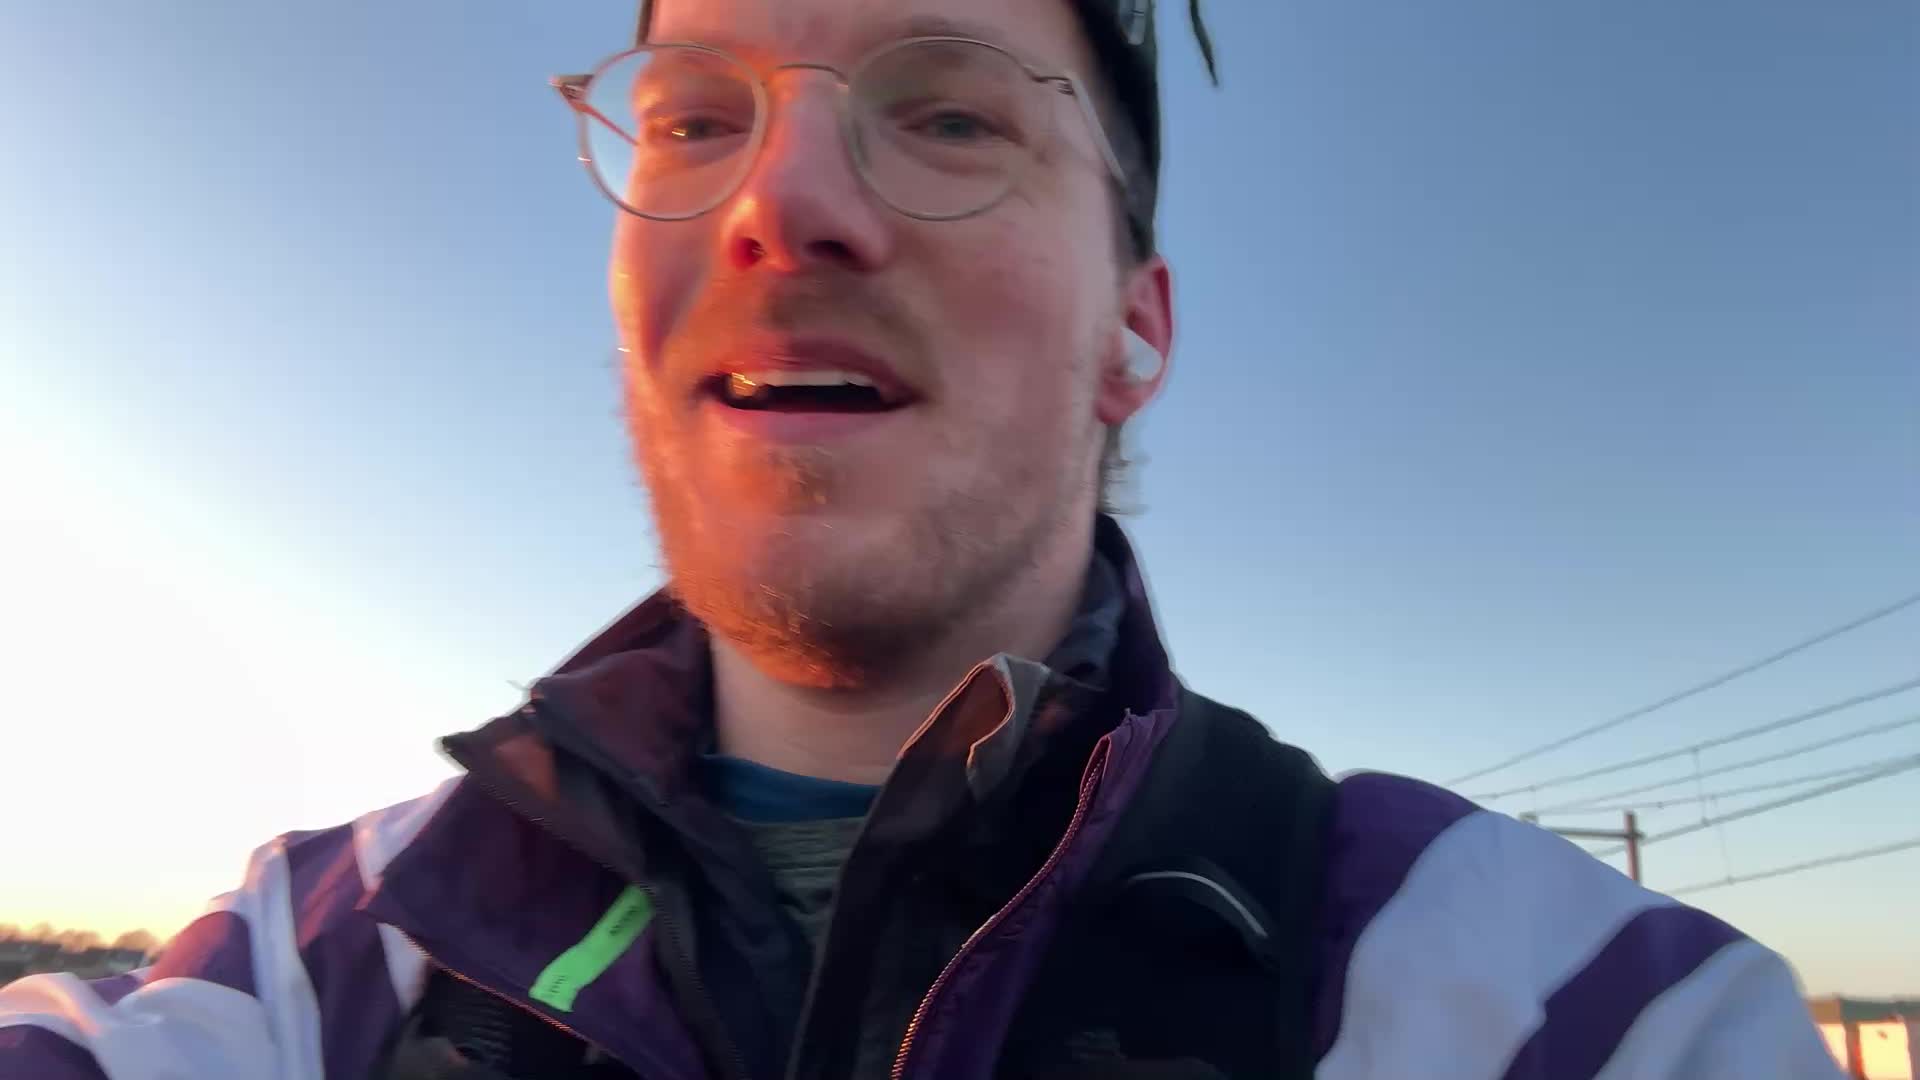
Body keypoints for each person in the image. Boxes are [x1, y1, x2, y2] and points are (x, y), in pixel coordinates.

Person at [0, 0, 1843, 1077]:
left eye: (951, 114)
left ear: (1136, 333)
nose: (783, 198)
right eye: (696, 116)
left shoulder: (1559, 1008)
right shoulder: (304, 962)